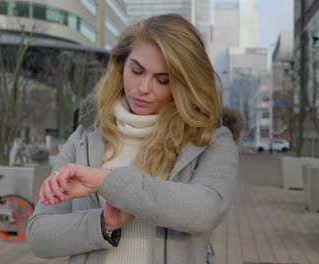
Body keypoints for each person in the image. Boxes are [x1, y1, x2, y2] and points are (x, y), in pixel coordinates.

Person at [28, 14, 243, 264]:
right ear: (121, 64)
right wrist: (103, 224)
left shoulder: (210, 139)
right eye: (136, 70)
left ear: (187, 84)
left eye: (163, 80)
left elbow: (204, 211)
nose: (143, 88)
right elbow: (39, 236)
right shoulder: (87, 135)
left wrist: (108, 181)